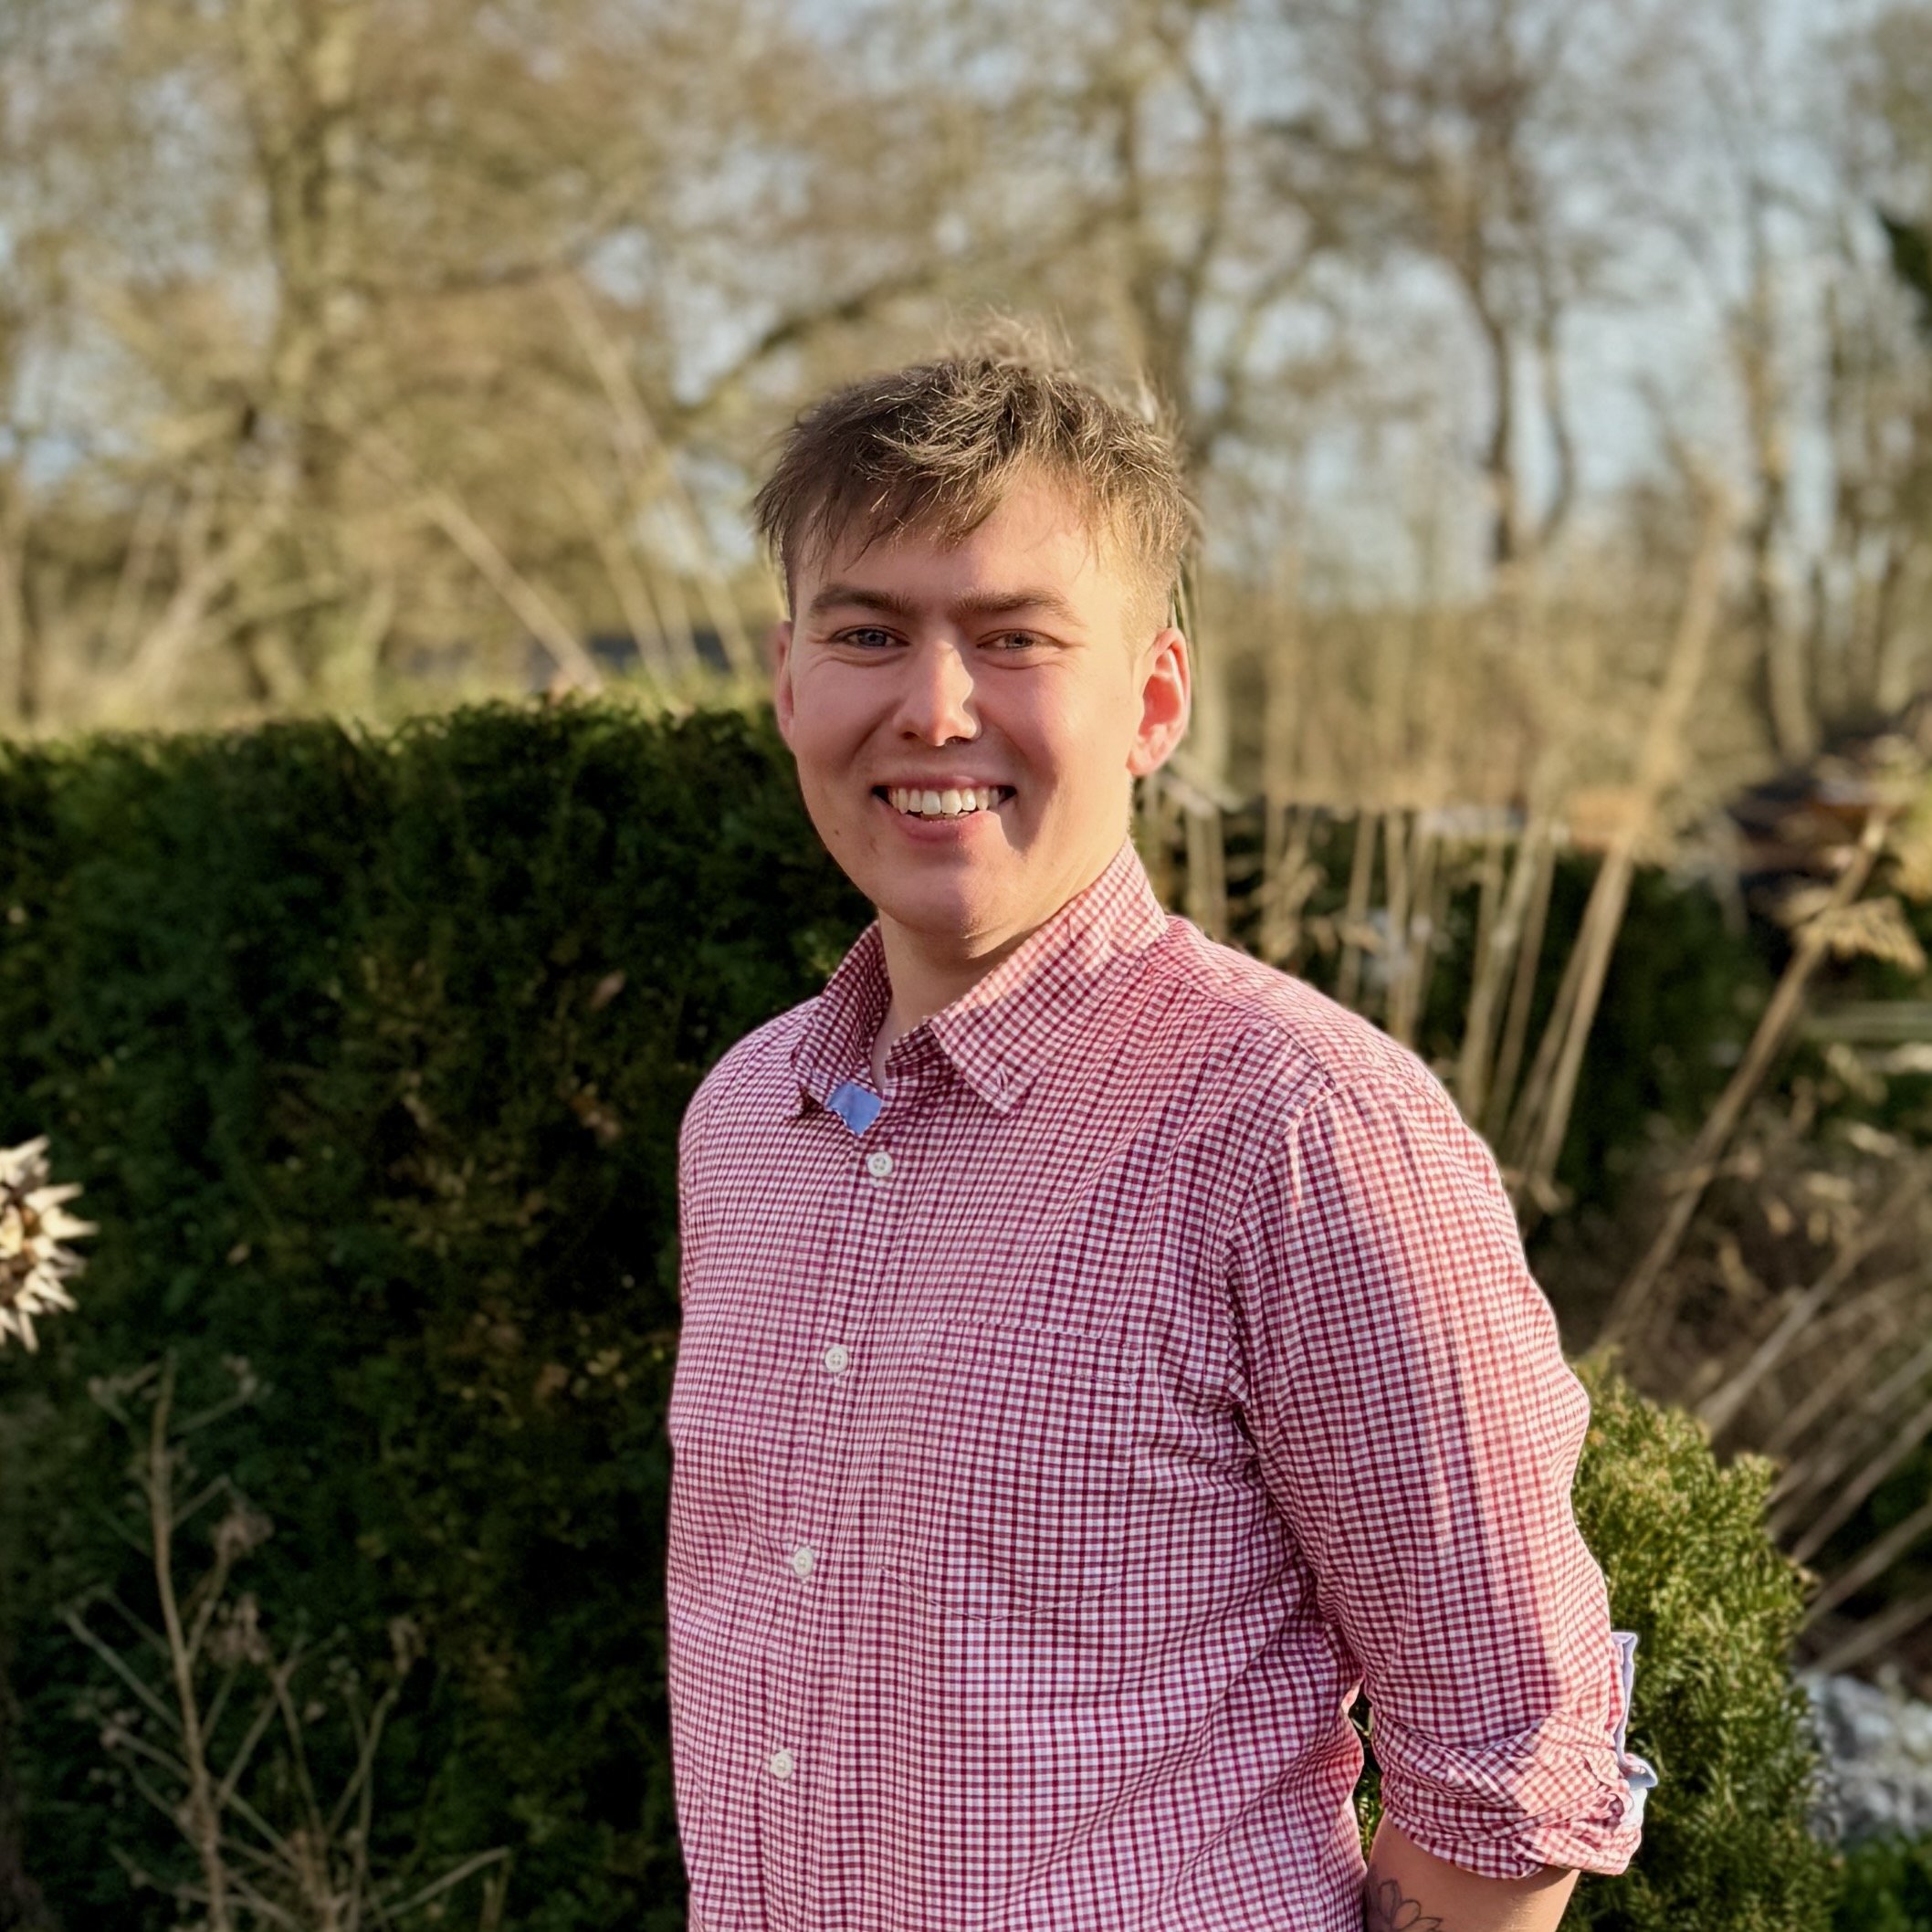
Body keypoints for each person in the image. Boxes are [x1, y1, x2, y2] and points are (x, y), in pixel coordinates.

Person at [667, 344, 1656, 1932]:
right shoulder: (746, 1121)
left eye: (1014, 639)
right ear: (789, 680)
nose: (934, 706)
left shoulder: (1302, 1132)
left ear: (1151, 700)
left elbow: (1503, 1760)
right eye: (870, 632)